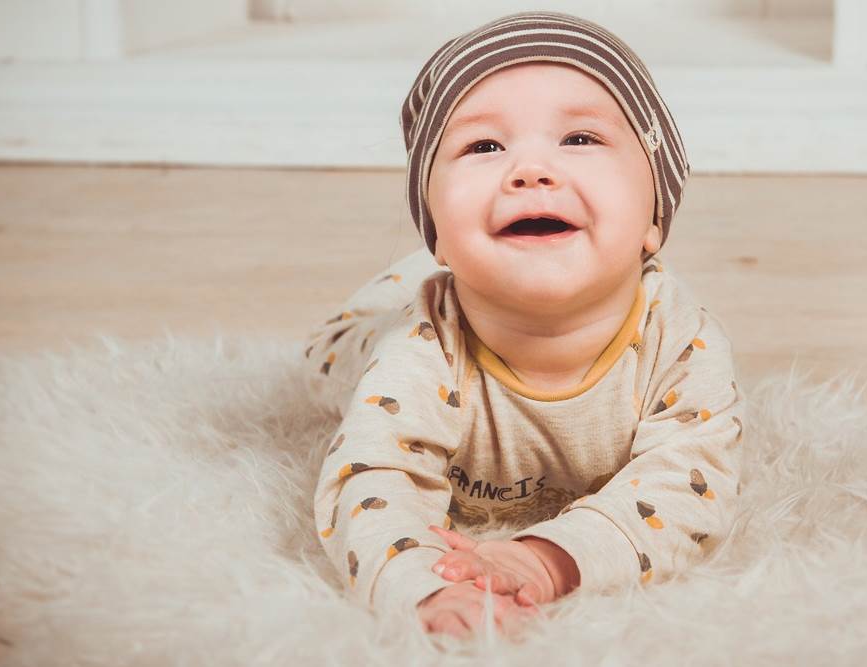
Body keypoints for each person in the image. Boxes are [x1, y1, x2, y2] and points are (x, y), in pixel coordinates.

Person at [302, 10, 746, 641]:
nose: (531, 171)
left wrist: (546, 557)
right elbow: (374, 481)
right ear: (437, 234)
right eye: (484, 147)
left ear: (655, 217)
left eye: (580, 140)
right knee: (358, 341)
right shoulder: (419, 348)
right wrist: (421, 587)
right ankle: (407, 279)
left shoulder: (684, 340)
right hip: (365, 339)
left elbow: (689, 488)